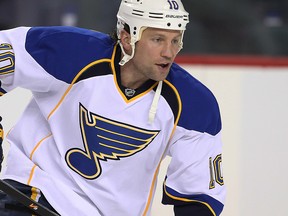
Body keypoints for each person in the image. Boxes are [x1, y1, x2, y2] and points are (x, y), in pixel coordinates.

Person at [0, 0, 226, 215]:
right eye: (158, 39)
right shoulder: (70, 53)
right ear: (127, 37)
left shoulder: (195, 106)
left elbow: (198, 198)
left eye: (175, 40)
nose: (169, 52)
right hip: (32, 197)